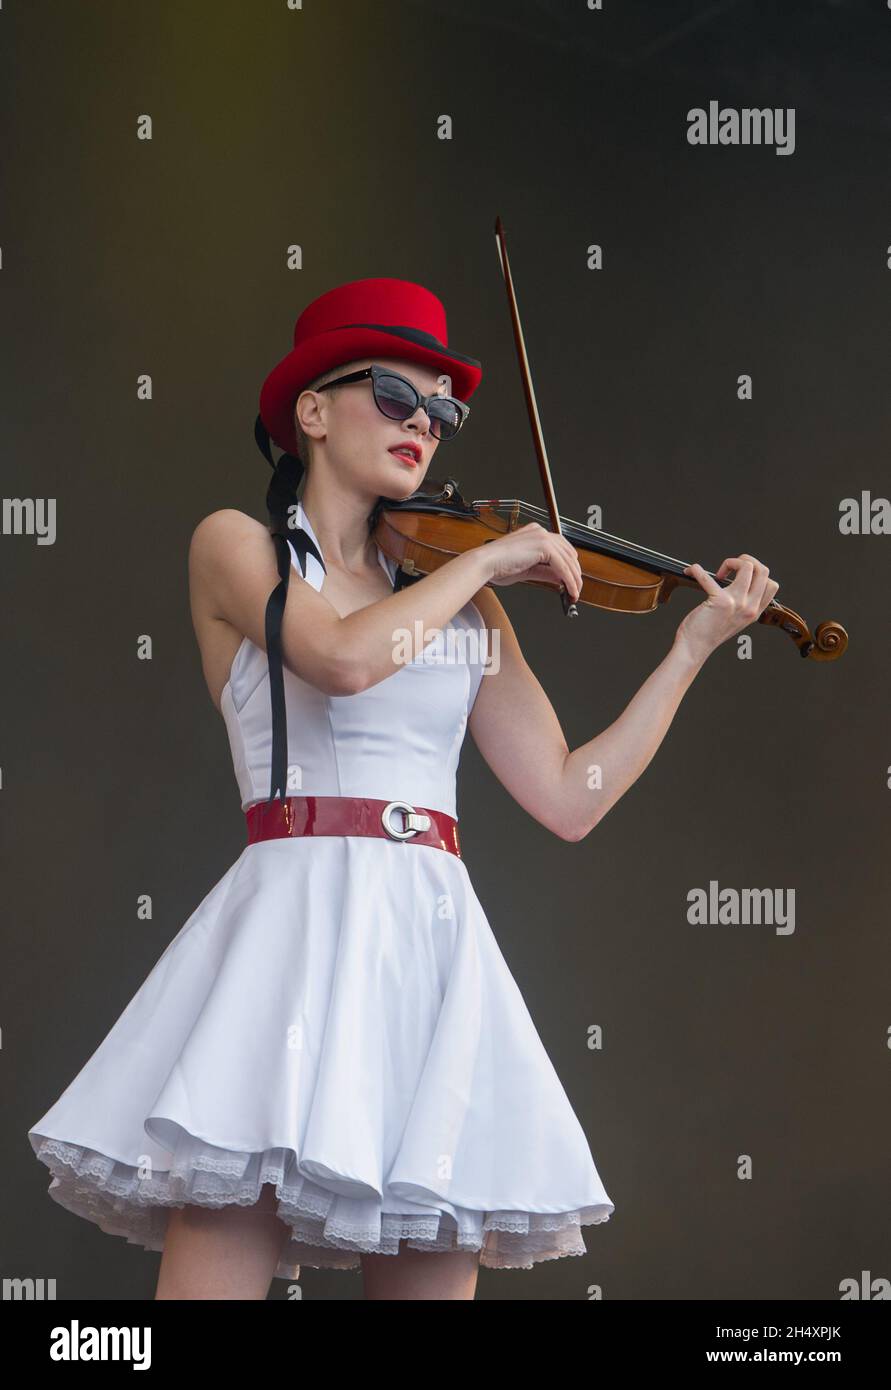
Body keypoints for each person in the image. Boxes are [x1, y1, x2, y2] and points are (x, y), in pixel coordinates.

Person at [27, 278, 778, 1301]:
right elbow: (336, 657)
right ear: (312, 410)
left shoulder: (458, 595)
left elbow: (570, 795)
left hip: (430, 945)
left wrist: (691, 646)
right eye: (393, 392)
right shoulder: (240, 547)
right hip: (287, 938)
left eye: (443, 410)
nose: (424, 422)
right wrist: (487, 565)